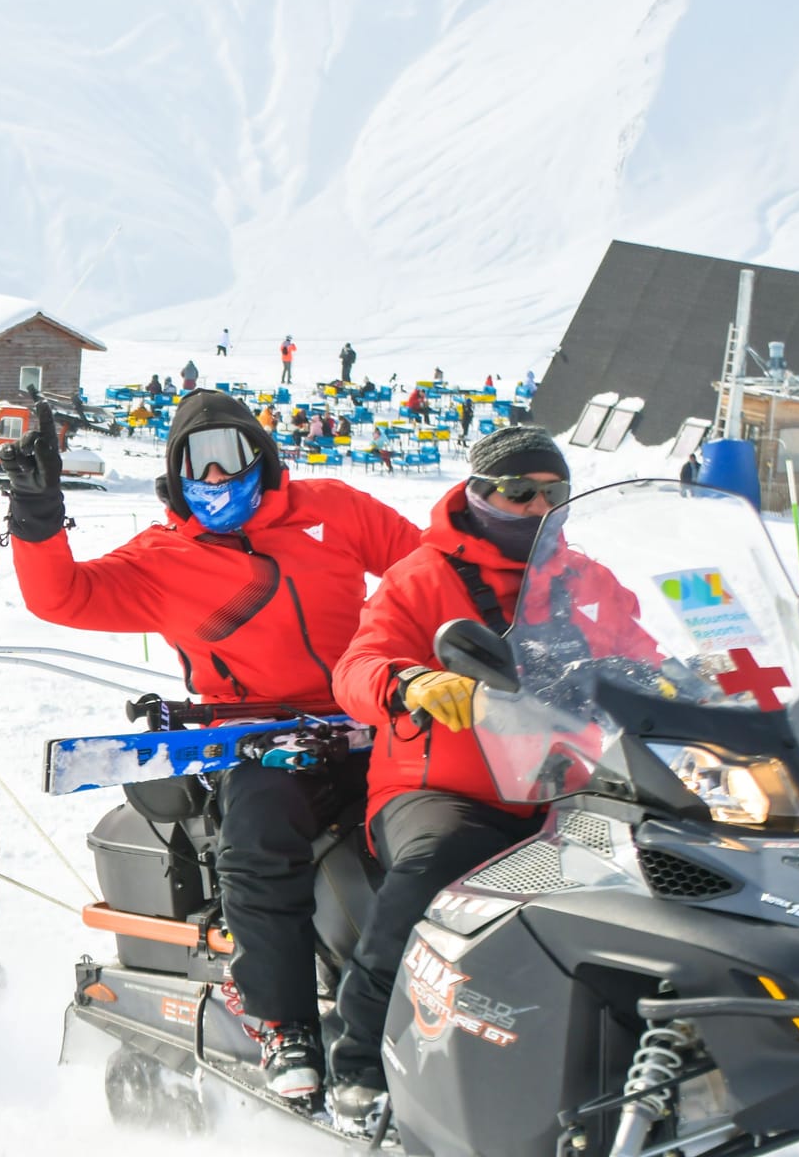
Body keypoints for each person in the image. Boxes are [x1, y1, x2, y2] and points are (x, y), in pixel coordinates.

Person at [0, 390, 420, 1103]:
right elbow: (61, 597)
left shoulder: (333, 511)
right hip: (255, 743)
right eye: (198, 462)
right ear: (175, 473)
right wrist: (38, 513)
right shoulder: (164, 557)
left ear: (262, 456)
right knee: (258, 836)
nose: (217, 479)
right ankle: (284, 1022)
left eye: (231, 455)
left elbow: (428, 571)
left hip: (369, 716)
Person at [327, 427, 651, 1127]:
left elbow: (645, 656)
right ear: (479, 493)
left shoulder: (591, 582)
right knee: (437, 864)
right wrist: (409, 681)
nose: (538, 507)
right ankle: (358, 1060)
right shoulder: (422, 576)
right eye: (518, 491)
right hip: (445, 790)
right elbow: (355, 668)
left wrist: (693, 683)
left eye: (553, 493)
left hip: (572, 786)